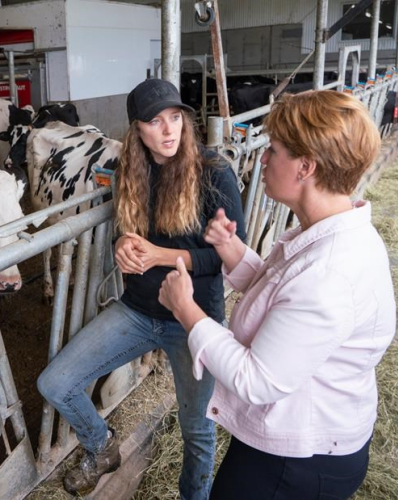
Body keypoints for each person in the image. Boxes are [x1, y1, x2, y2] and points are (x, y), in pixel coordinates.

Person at [158, 90, 396, 499]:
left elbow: (257, 379)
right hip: (299, 439)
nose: (263, 159)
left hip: (297, 464)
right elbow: (285, 297)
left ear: (306, 167)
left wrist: (187, 310)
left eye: (273, 150)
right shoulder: (330, 233)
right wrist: (233, 252)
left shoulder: (329, 273)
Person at [37, 78, 246, 498]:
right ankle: (101, 446)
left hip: (195, 321)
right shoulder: (127, 172)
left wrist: (158, 255)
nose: (169, 130)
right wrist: (121, 244)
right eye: (155, 121)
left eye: (175, 118)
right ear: (137, 130)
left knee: (197, 432)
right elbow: (126, 228)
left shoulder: (214, 172)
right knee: (55, 383)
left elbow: (225, 258)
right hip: (136, 312)